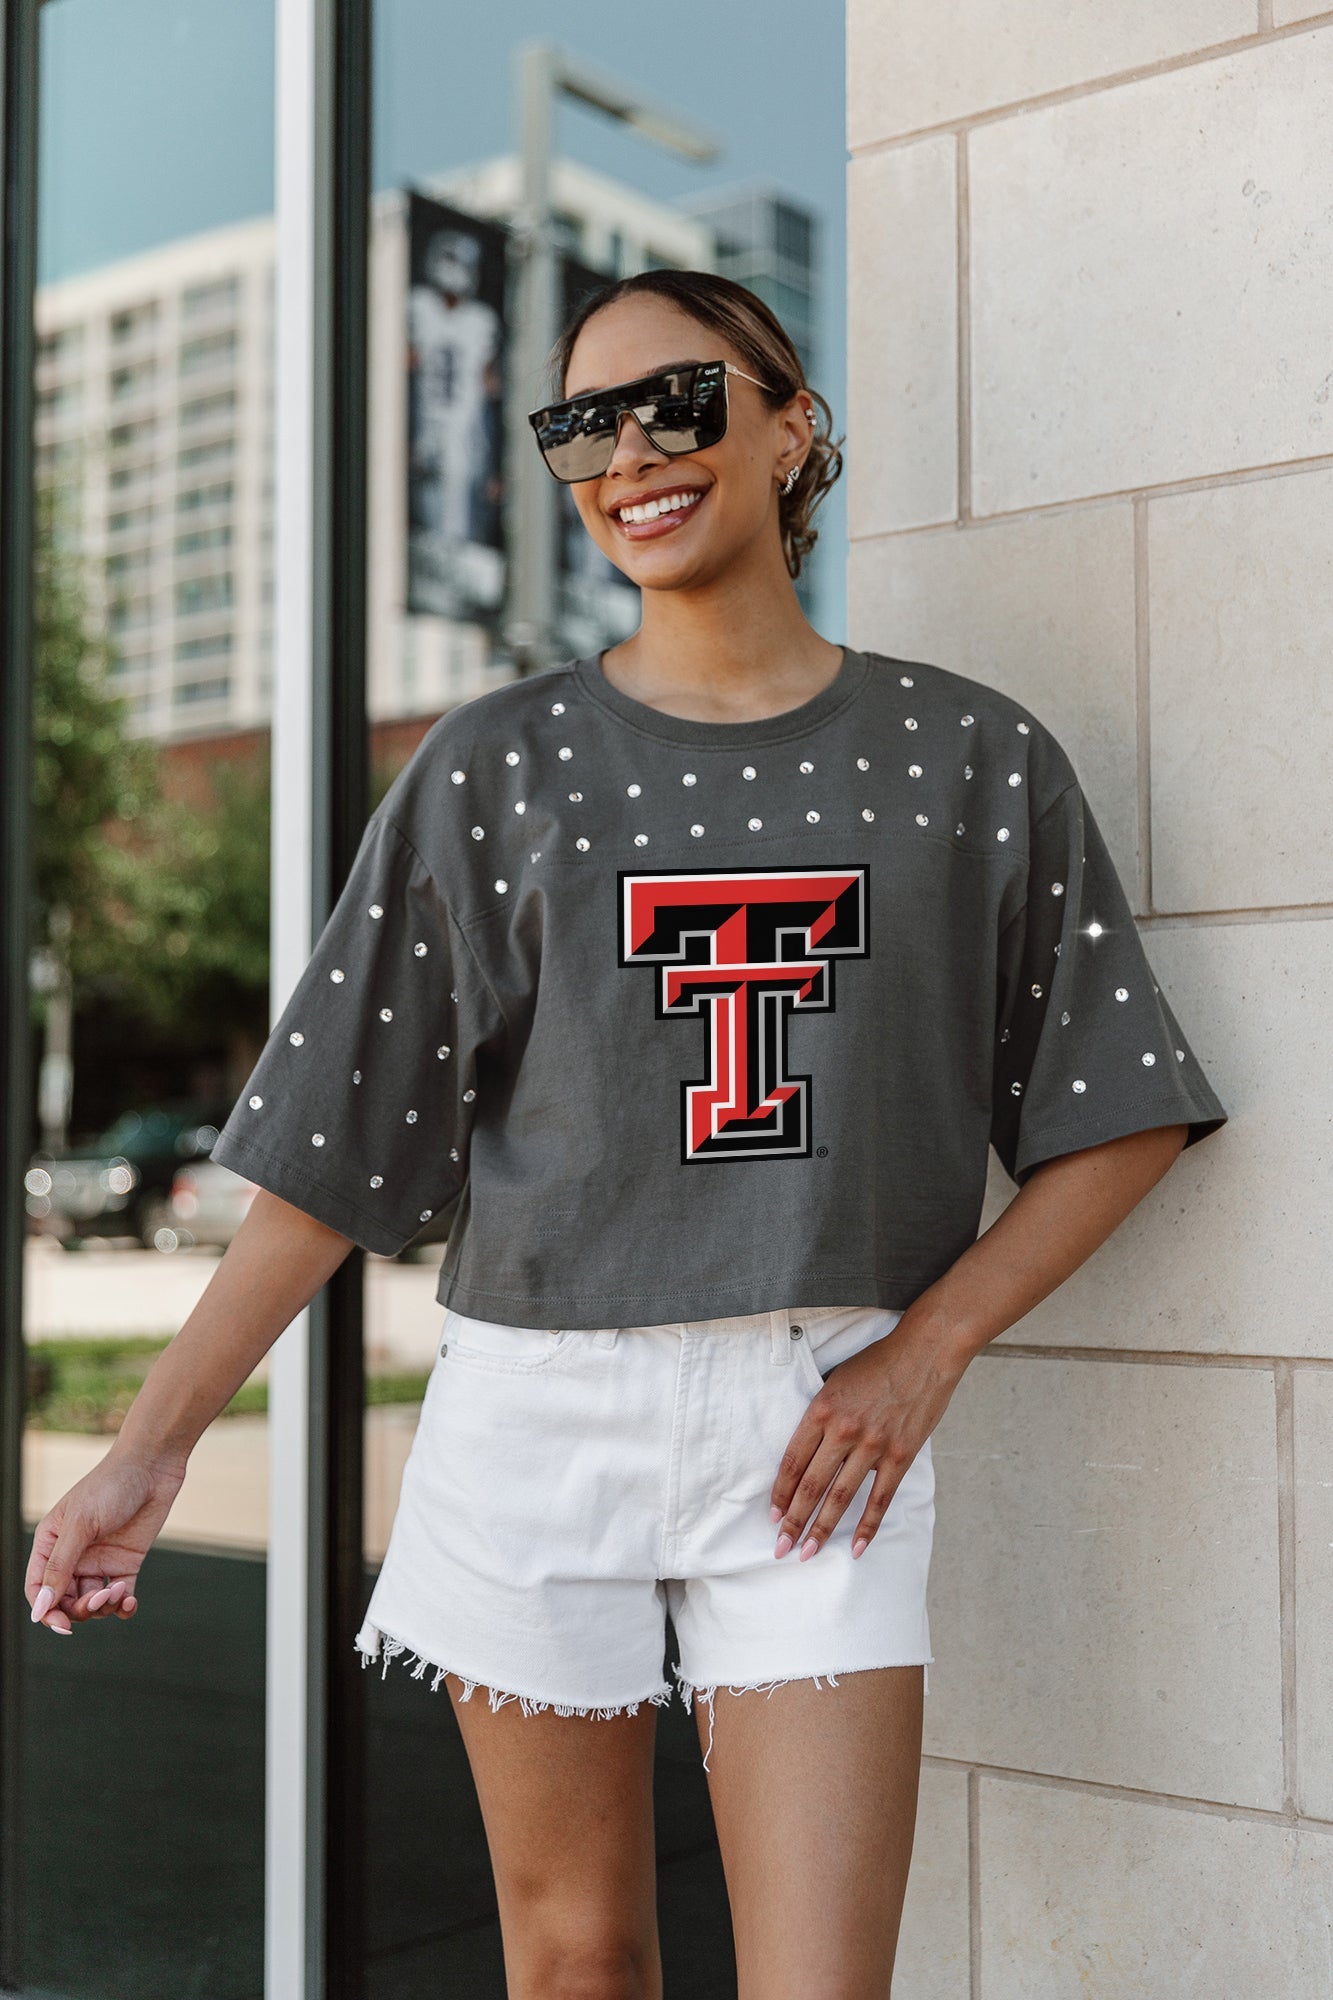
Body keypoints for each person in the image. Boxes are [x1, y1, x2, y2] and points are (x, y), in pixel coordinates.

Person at [25, 270, 1228, 1998]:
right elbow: (330, 1152)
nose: (627, 455)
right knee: (575, 1961)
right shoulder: (494, 766)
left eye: (677, 400)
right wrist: (152, 1447)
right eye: (579, 424)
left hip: (824, 1426)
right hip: (536, 1416)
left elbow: (1121, 1108)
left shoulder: (967, 755)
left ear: (790, 421)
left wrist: (927, 1350)